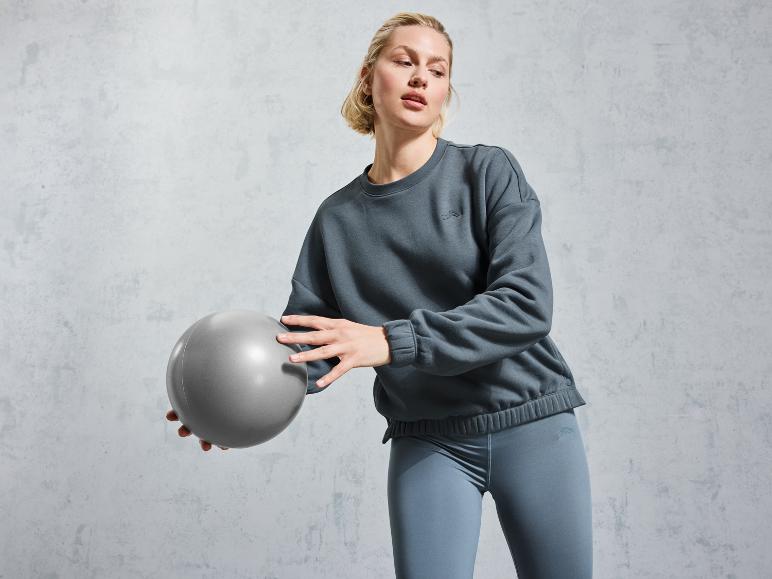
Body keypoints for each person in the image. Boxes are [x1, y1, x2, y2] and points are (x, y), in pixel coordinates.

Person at [174, 11, 593, 578]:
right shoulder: (337, 220)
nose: (421, 77)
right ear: (370, 78)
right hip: (430, 443)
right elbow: (308, 343)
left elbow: (525, 305)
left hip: (533, 423)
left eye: (437, 69)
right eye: (404, 61)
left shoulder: (488, 172)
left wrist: (391, 341)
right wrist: (228, 405)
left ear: (445, 92)